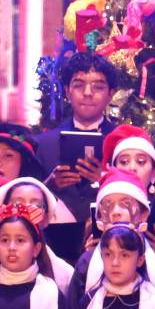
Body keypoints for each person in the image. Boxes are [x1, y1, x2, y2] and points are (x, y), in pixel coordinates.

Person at [37, 51, 120, 225]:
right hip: (54, 241)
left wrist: (105, 180)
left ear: (111, 93)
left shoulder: (123, 143)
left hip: (110, 241)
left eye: (98, 86)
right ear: (67, 92)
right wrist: (48, 186)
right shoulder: (43, 144)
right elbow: (25, 199)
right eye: (79, 85)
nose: (88, 93)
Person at [74, 169, 155, 298]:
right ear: (99, 217)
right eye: (108, 205)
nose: (115, 212)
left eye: (126, 204)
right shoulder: (86, 264)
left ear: (144, 214)